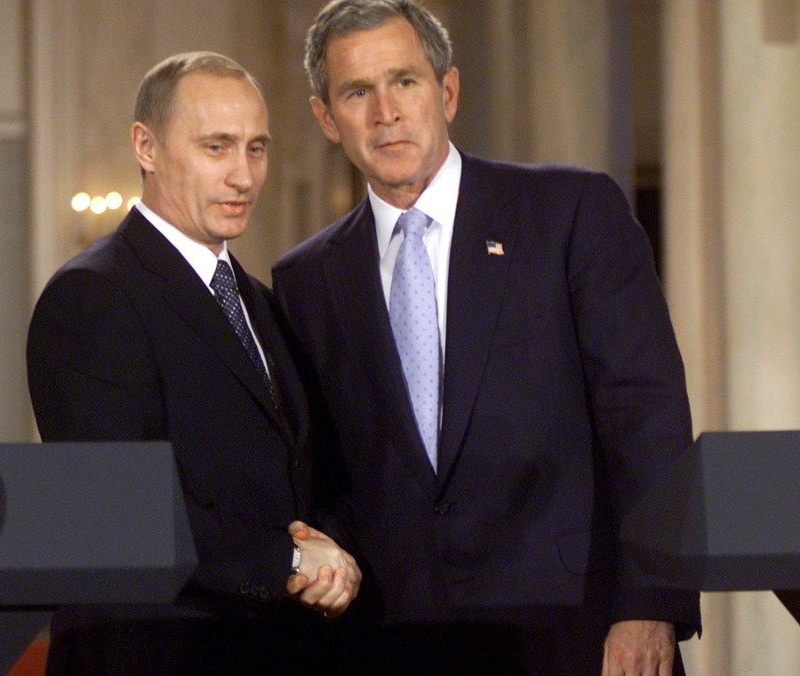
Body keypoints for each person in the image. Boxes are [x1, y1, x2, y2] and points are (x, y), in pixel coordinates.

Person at [271, 1, 701, 672]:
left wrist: (648, 604)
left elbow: (647, 418)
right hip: (395, 640)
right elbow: (326, 470)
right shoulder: (305, 279)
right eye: (358, 91)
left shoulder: (570, 211)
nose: (386, 110)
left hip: (576, 634)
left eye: (405, 81)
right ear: (327, 118)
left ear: (447, 91)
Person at [27, 51, 359, 673]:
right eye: (217, 148)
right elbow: (119, 507)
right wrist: (288, 564)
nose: (243, 177)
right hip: (150, 653)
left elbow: (306, 470)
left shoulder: (261, 300)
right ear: (145, 147)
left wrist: (332, 562)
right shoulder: (93, 294)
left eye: (256, 149)